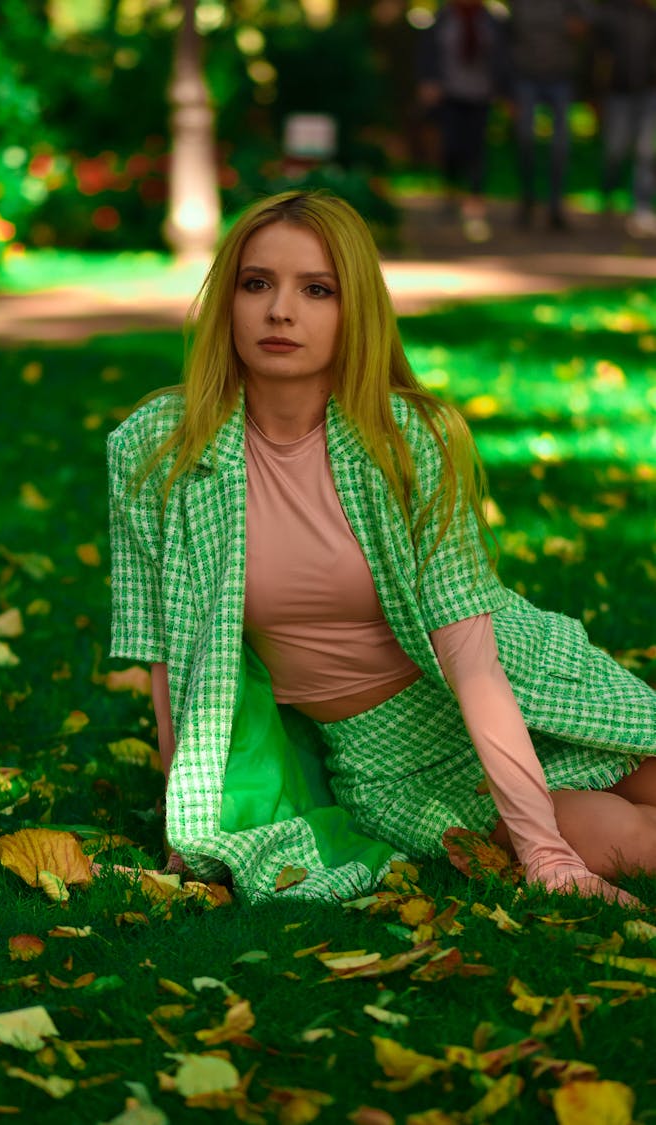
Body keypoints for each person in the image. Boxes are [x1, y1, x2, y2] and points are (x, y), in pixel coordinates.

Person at [108, 191, 656, 906]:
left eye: (316, 289)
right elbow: (168, 655)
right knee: (632, 843)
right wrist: (190, 828)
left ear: (354, 309)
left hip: (517, 683)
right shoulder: (158, 450)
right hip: (391, 760)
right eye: (256, 283)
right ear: (228, 300)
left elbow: (473, 660)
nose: (280, 310)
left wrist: (543, 852)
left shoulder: (402, 442)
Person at [417, 0, 507, 242]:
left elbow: (503, 56)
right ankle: (450, 195)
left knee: (476, 151)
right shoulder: (442, 18)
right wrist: (429, 81)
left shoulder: (492, 20)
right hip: (450, 94)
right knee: (451, 147)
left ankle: (475, 204)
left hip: (481, 95)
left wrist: (504, 90)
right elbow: (429, 51)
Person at [508, 0, 591, 230]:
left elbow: (586, 29)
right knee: (525, 139)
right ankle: (527, 199)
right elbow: (507, 39)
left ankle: (555, 206)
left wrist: (577, 26)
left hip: (560, 79)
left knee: (560, 146)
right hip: (525, 78)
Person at [594, 0, 656, 238]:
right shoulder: (609, 15)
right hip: (617, 94)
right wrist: (596, 93)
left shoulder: (651, 17)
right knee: (614, 151)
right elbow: (597, 55)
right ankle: (608, 194)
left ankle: (641, 208)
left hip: (649, 94)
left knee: (645, 152)